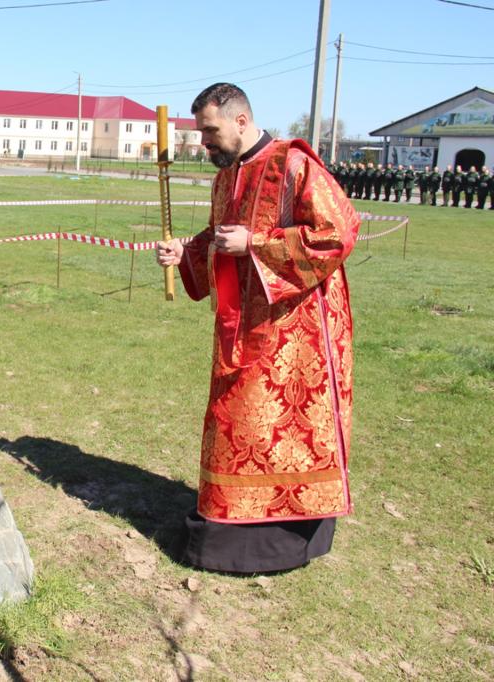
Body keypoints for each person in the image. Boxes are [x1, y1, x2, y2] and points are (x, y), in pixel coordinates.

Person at [156, 83, 359, 574]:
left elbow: (338, 232)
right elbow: (220, 236)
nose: (204, 143)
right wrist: (187, 251)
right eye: (200, 133)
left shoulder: (295, 164)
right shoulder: (225, 178)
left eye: (210, 130)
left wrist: (257, 243)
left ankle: (286, 536)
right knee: (234, 425)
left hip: (298, 333)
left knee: (281, 431)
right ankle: (224, 525)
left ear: (241, 121)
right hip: (238, 324)